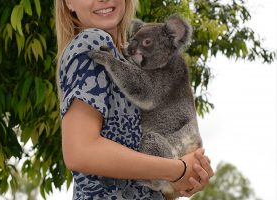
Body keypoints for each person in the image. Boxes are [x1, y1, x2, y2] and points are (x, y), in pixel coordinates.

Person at [55, 0, 214, 199]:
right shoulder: (93, 42)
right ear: (68, 3)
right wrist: (177, 170)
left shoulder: (126, 56)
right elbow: (80, 152)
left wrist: (188, 176)